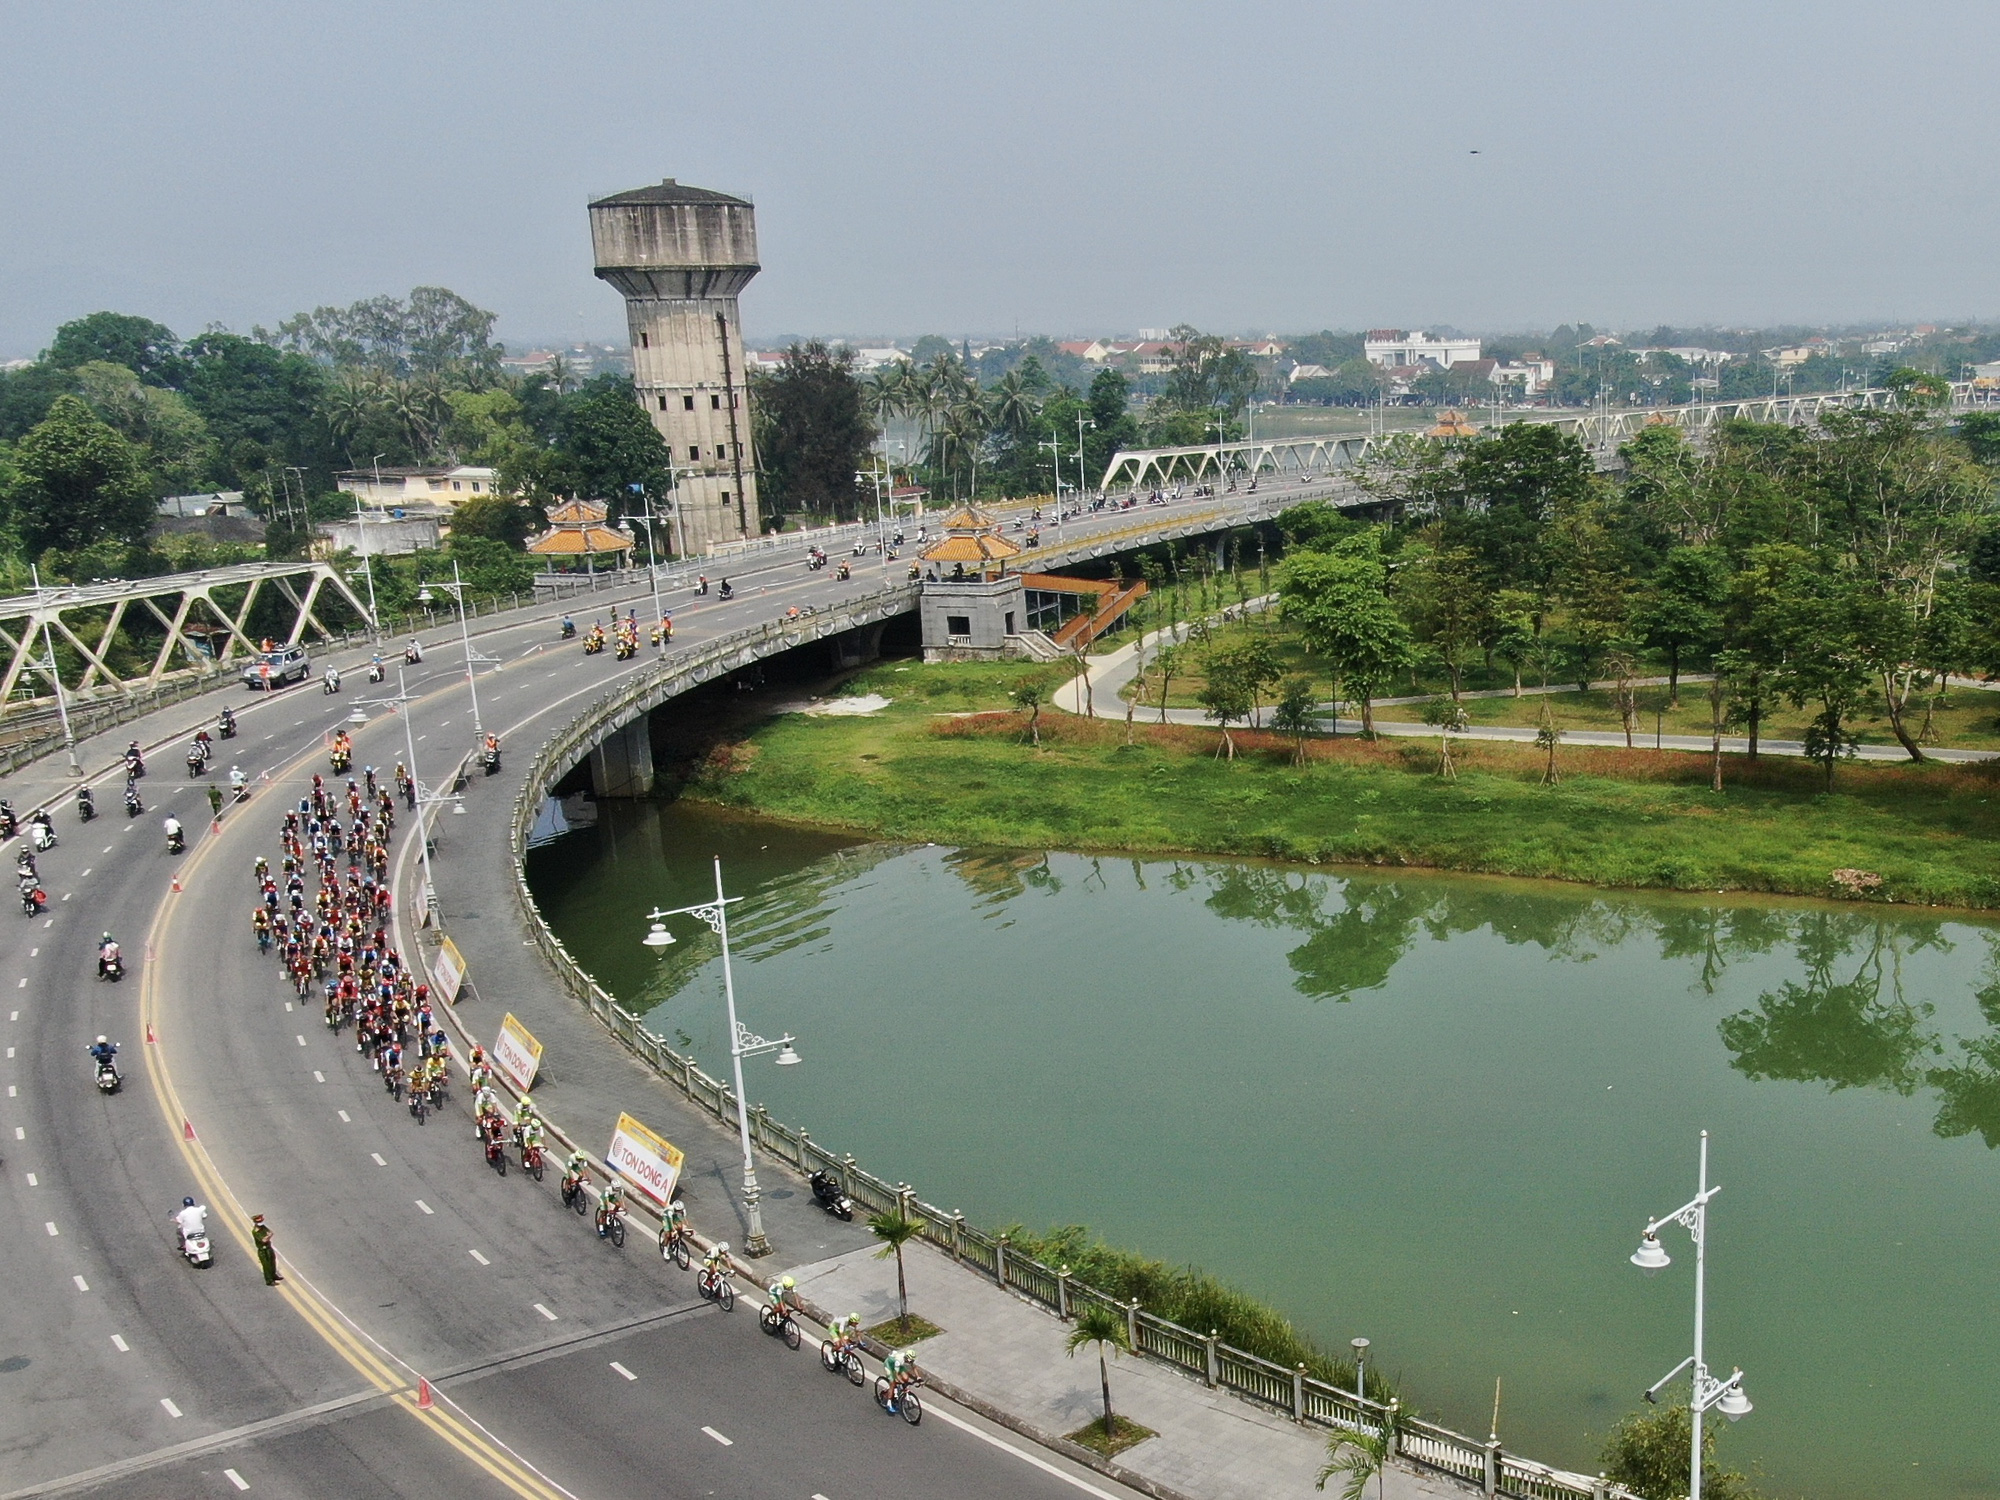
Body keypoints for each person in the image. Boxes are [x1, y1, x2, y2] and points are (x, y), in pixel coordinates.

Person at [252, 1213, 282, 1285]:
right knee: (267, 1265)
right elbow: (263, 1240)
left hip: (268, 1247)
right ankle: (269, 1280)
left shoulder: (263, 1227)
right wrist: (268, 1236)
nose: (261, 1222)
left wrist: (267, 1236)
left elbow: (270, 1233)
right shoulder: (255, 1231)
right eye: (259, 1221)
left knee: (272, 1262)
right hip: (263, 1250)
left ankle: (273, 1275)